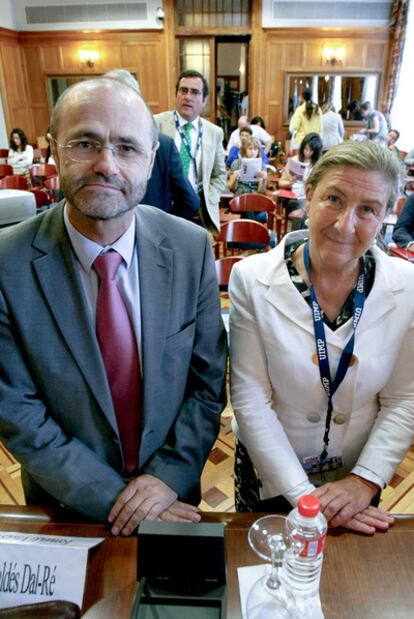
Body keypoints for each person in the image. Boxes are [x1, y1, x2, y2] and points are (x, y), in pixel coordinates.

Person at [0, 77, 227, 535]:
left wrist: (167, 478)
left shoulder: (190, 249)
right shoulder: (8, 263)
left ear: (152, 159)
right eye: (85, 143)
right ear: (55, 149)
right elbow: (16, 410)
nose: (106, 165)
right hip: (66, 503)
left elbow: (206, 386)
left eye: (127, 148)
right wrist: (116, 499)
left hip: (172, 496)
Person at [229, 140, 414, 535]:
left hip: (355, 484)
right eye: (334, 198)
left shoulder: (408, 287)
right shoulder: (251, 278)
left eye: (368, 209)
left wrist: (365, 480)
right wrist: (304, 497)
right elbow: (250, 398)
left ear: (386, 215)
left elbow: (404, 398)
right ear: (309, 195)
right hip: (272, 475)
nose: (346, 224)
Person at [103, 69, 200, 219]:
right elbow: (190, 202)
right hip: (156, 235)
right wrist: (163, 221)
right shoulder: (164, 144)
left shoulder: (88, 147)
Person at [154, 70, 226, 233]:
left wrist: (209, 199)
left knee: (194, 257)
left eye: (195, 92)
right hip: (163, 210)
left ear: (204, 100)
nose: (187, 97)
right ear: (176, 94)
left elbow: (220, 174)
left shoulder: (214, 133)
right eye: (183, 90)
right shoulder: (156, 124)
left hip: (197, 212)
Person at [227, 136, 268, 223]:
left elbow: (262, 191)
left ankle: (248, 222)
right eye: (250, 149)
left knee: (251, 203)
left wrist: (263, 180)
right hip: (240, 196)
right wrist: (234, 177)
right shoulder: (236, 163)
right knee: (248, 203)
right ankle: (259, 219)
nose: (253, 151)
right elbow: (231, 188)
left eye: (256, 149)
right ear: (245, 149)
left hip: (255, 197)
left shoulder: (262, 165)